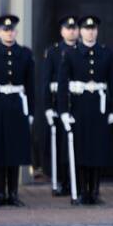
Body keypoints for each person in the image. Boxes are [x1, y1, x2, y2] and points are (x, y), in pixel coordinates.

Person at [57, 16, 113, 205]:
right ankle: (83, 190)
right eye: (86, 29)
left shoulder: (106, 53)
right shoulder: (71, 54)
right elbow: (62, 84)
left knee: (97, 150)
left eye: (93, 29)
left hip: (99, 108)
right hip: (79, 106)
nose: (90, 32)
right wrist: (64, 111)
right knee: (81, 151)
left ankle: (95, 191)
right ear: (80, 31)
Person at [0, 15, 34, 206]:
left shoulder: (24, 53)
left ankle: (13, 193)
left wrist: (30, 111)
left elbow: (30, 84)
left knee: (14, 150)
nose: (9, 33)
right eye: (5, 30)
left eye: (12, 30)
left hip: (17, 105)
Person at [41, 16, 80, 198]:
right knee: (61, 146)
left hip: (79, 103)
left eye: (74, 28)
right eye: (68, 28)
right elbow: (46, 80)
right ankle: (61, 181)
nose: (72, 31)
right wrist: (48, 106)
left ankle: (76, 181)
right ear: (62, 31)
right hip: (59, 103)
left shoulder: (82, 50)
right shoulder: (54, 52)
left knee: (78, 145)